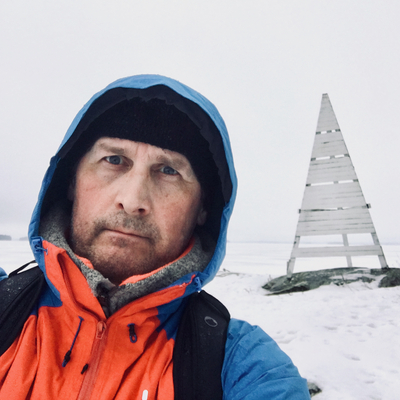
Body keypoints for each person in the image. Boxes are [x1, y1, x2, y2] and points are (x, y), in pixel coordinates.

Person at [0, 75, 310, 399]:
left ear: (203, 208)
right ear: (70, 181)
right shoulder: (6, 312)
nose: (133, 200)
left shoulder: (240, 364)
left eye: (168, 171)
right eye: (113, 160)